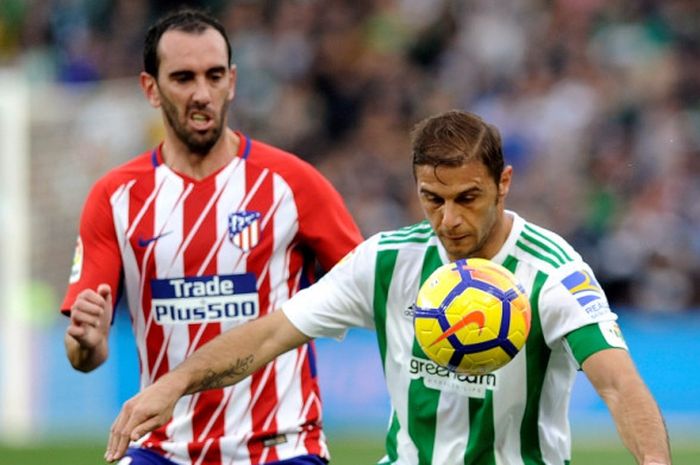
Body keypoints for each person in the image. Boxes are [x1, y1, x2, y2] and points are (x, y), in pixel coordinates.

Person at [104, 110, 671, 465]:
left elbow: (618, 384)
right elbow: (271, 333)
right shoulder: (386, 261)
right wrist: (174, 383)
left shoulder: (553, 273)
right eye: (433, 198)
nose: (448, 219)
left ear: (503, 183)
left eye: (467, 198)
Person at [62, 8, 362, 465]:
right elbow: (86, 355)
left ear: (233, 81)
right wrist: (86, 340)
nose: (202, 93)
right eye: (183, 78)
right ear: (151, 88)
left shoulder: (293, 183)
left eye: (214, 75)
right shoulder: (115, 196)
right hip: (161, 449)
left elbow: (368, 286)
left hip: (281, 447)